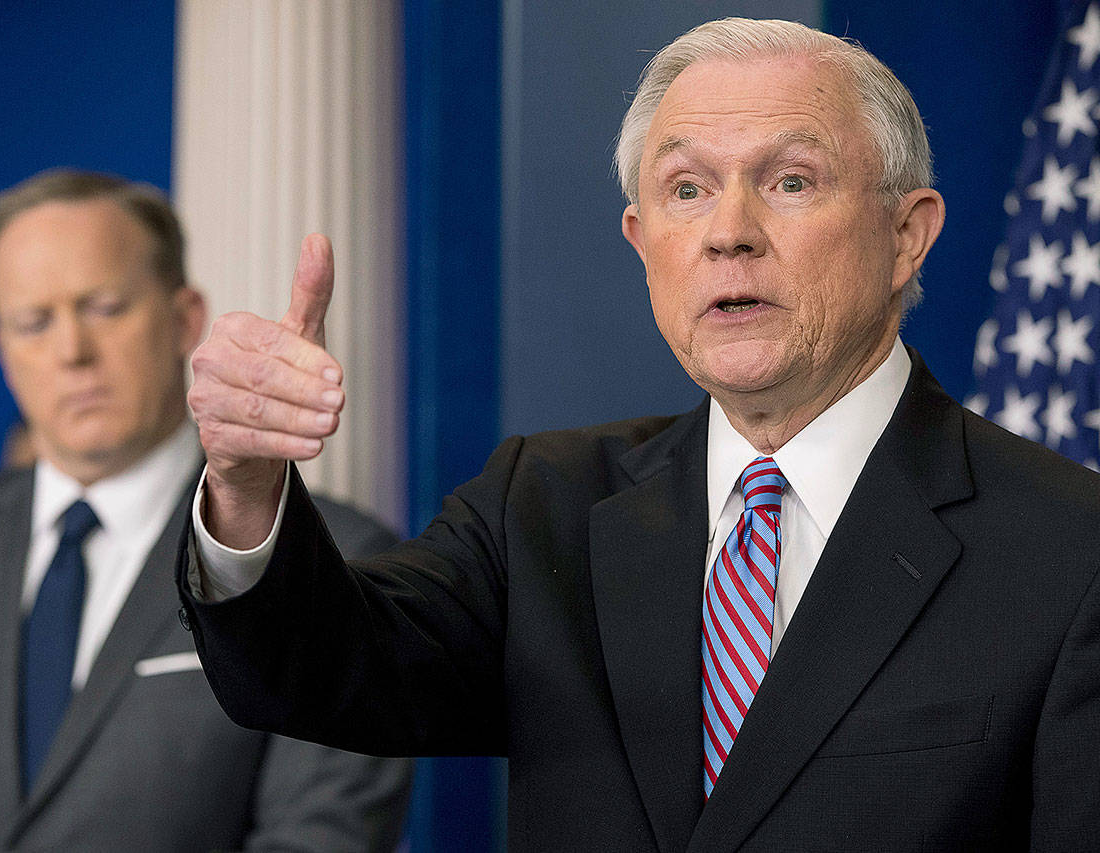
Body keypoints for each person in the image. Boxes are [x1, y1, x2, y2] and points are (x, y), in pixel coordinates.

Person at [178, 17, 1100, 853]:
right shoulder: (544, 503)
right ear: (640, 240)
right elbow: (314, 669)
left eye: (790, 180)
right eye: (687, 189)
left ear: (908, 235)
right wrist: (245, 487)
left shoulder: (1070, 549)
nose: (728, 233)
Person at [0, 170, 412, 851]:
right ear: (4, 353)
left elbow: (320, 835)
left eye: (103, 306)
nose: (72, 351)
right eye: (33, 322)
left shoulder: (337, 557)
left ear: (184, 319)